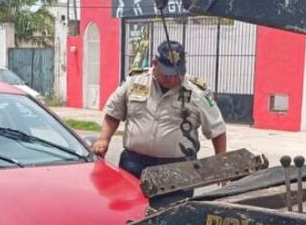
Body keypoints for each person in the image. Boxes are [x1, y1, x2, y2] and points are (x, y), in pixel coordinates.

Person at [93, 40, 227, 179]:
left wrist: (221, 163)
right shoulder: (135, 81)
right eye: (167, 74)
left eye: (176, 74)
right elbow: (114, 112)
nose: (172, 79)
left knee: (175, 202)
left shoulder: (197, 92)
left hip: (178, 168)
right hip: (133, 164)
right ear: (154, 64)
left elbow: (217, 130)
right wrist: (104, 139)